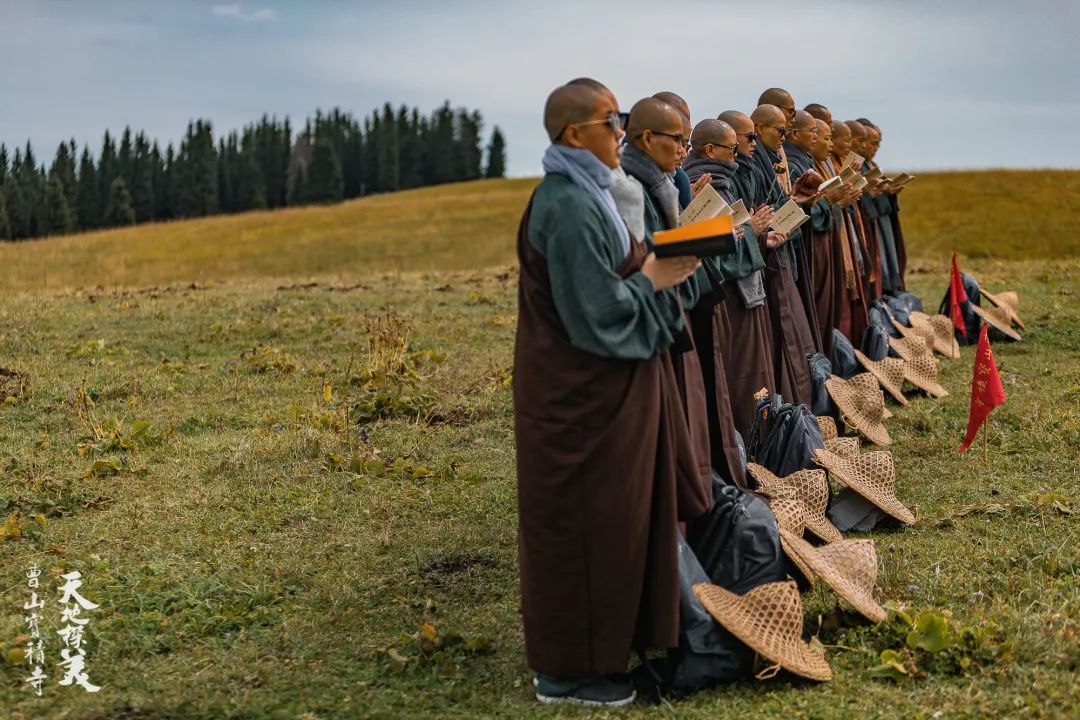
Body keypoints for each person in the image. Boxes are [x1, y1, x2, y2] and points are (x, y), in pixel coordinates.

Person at [514, 82, 710, 707]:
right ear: (574, 134)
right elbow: (595, 311)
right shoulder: (566, 204)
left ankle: (613, 646)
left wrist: (664, 253)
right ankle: (569, 671)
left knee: (615, 522)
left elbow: (620, 267)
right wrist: (656, 273)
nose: (619, 132)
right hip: (579, 407)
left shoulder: (588, 193)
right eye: (610, 121)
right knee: (584, 528)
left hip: (608, 396)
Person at [621, 97, 714, 490]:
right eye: (677, 140)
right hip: (651, 314)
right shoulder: (632, 189)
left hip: (670, 303)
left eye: (686, 142)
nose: (682, 150)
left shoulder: (658, 182)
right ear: (645, 137)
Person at [680, 118, 770, 484]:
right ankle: (749, 445)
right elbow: (721, 249)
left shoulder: (721, 177)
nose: (741, 152)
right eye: (734, 146)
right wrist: (753, 231)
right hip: (725, 294)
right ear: (709, 150)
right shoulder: (713, 183)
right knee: (738, 371)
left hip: (721, 290)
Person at [742, 100, 819, 406]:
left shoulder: (768, 160)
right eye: (780, 129)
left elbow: (771, 207)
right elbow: (754, 215)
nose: (784, 135)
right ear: (759, 129)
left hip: (776, 253)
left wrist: (798, 202)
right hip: (765, 262)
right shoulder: (749, 165)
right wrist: (757, 229)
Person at [828, 120, 871, 342]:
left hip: (847, 231)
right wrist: (834, 203)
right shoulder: (811, 163)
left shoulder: (837, 163)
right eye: (849, 140)